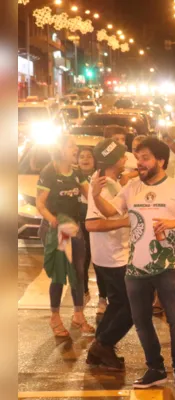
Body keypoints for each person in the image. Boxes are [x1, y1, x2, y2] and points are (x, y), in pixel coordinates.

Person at [90, 138, 175, 390]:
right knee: (141, 321)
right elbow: (111, 211)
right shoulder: (131, 188)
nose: (139, 163)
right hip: (135, 268)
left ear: (161, 161)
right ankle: (155, 368)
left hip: (167, 265)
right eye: (138, 157)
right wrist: (95, 195)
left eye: (146, 158)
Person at [36, 135, 95, 337]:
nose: (76, 149)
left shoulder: (77, 172)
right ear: (60, 149)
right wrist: (53, 220)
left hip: (74, 229)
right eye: (71, 146)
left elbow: (92, 196)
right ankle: (55, 317)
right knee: (59, 275)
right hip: (56, 230)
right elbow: (40, 205)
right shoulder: (49, 172)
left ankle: (78, 315)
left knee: (79, 272)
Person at [84, 139, 133, 370]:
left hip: (115, 254)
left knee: (117, 303)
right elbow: (92, 224)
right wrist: (126, 221)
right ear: (114, 160)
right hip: (111, 257)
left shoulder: (111, 182)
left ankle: (98, 349)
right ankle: (103, 344)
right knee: (132, 305)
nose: (126, 159)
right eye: (123, 155)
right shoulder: (101, 184)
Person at [77, 147, 101, 309]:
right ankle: (83, 293)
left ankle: (103, 297)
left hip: (97, 223)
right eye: (81, 156)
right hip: (79, 225)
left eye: (89, 156)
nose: (85, 159)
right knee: (82, 262)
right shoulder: (71, 177)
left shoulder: (100, 177)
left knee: (100, 262)